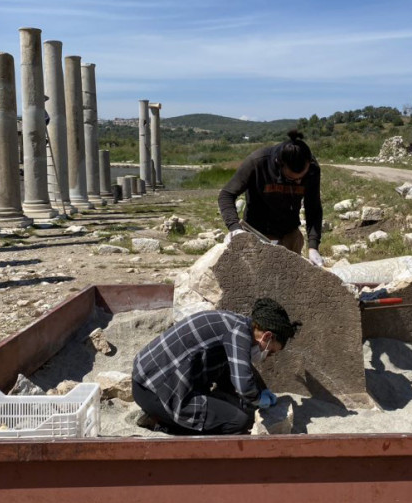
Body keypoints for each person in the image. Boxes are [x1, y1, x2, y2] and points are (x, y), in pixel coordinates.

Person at [131, 298, 301, 435]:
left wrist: (262, 389)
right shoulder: (238, 334)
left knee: (234, 404)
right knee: (237, 421)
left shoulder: (235, 324)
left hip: (146, 381)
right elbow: (244, 385)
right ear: (267, 336)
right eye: (270, 352)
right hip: (157, 390)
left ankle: (162, 417)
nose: (267, 357)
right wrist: (258, 399)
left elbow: (237, 368)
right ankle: (164, 425)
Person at [218, 129, 324, 266]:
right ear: (279, 164)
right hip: (256, 235)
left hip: (289, 234)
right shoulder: (258, 162)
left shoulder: (312, 169)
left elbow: (313, 208)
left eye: (301, 178)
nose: (298, 182)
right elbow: (226, 194)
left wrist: (313, 247)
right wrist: (235, 229)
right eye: (292, 179)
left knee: (290, 282)